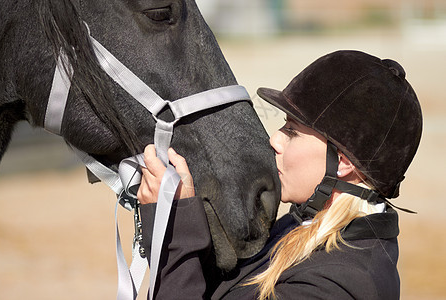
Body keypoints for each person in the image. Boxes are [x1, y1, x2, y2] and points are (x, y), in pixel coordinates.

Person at [137, 50, 423, 299]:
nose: (275, 139)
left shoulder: (336, 286)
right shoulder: (306, 224)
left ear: (343, 163)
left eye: (292, 132)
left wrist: (177, 234)